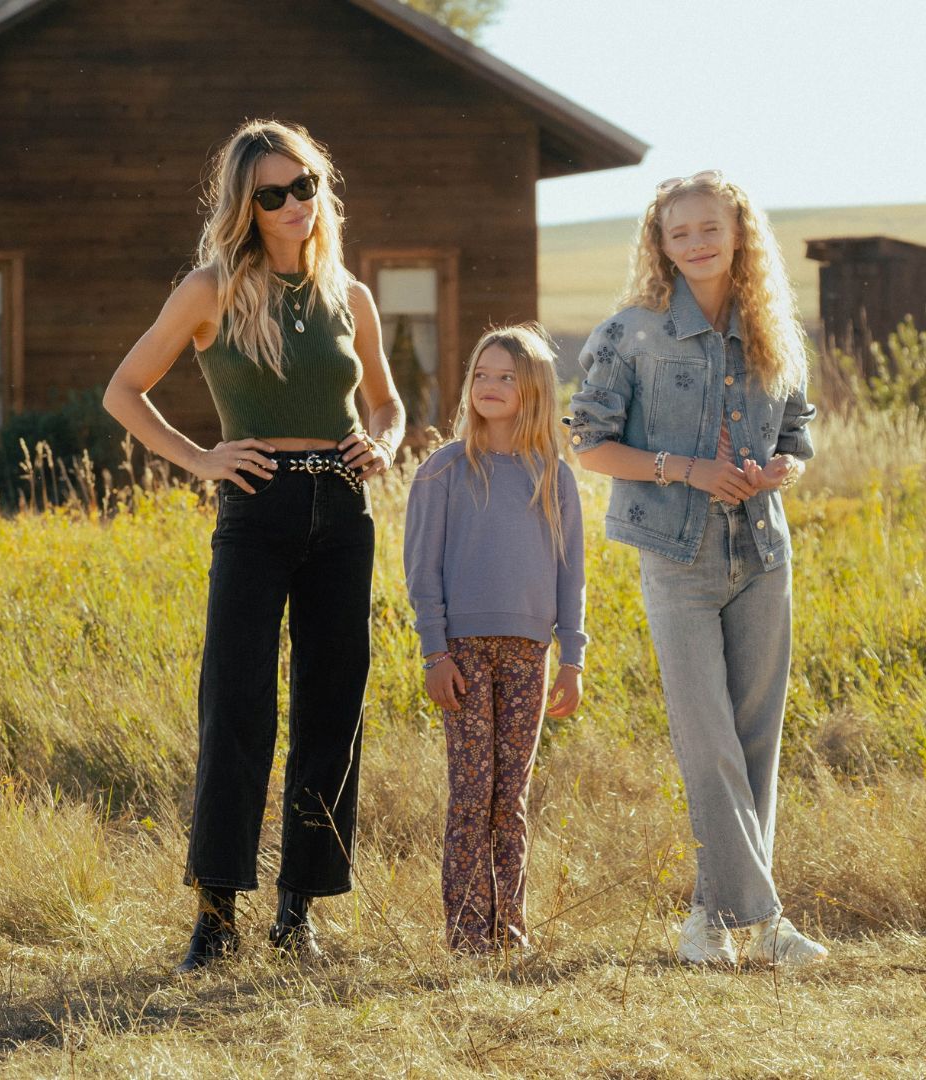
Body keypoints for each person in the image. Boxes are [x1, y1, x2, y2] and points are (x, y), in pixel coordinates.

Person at [103, 119, 404, 972]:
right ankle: (216, 916)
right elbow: (124, 391)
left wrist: (384, 443)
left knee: (331, 706)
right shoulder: (209, 290)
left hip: (343, 506)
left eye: (305, 185)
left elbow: (386, 403)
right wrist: (203, 458)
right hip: (256, 504)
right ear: (246, 205)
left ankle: (298, 911)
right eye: (273, 194)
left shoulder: (351, 294)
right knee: (236, 706)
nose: (294, 204)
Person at [567, 171, 823, 966]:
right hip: (676, 556)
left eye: (710, 227)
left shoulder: (773, 330)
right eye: (680, 233)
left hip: (764, 553)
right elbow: (591, 444)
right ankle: (768, 923)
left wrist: (782, 469)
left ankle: (710, 923)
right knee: (708, 741)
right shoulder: (629, 334)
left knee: (754, 743)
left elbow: (798, 435)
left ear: (739, 233)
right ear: (662, 245)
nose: (698, 243)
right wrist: (688, 470)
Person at [404, 325, 585, 953]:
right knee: (471, 794)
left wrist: (573, 658)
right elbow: (422, 570)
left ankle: (509, 929)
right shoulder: (443, 470)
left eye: (506, 376)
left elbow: (571, 574)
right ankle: (466, 935)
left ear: (533, 388)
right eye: (481, 375)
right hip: (462, 653)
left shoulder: (554, 477)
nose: (490, 386)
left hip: (530, 654)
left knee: (512, 797)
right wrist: (434, 650)